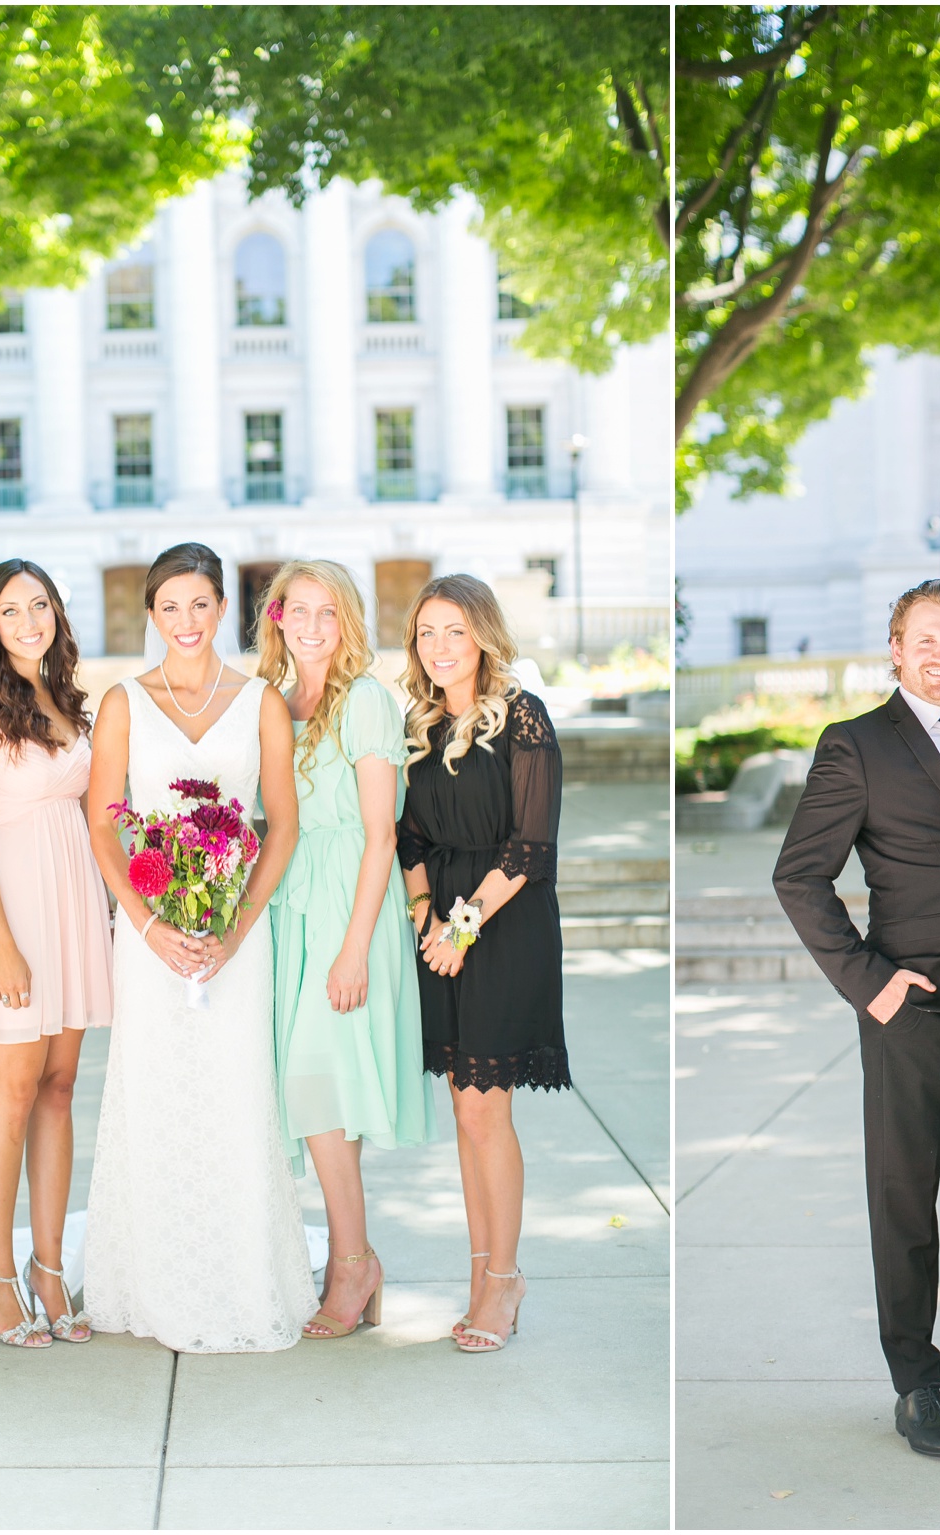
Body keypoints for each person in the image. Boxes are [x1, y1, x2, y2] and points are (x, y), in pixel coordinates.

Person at [773, 578, 940, 1459]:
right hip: (910, 1010)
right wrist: (867, 982)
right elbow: (799, 876)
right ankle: (916, 1380)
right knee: (906, 1200)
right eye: (926, 639)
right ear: (896, 646)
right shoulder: (856, 746)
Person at [82, 543, 315, 1352]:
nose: (185, 621)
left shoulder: (261, 703)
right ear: (152, 615)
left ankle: (241, 1278)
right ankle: (149, 1279)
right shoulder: (121, 703)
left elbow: (280, 824)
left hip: (233, 938)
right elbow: (104, 824)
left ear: (224, 610)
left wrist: (237, 924)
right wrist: (146, 926)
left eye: (200, 604)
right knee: (153, 1093)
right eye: (169, 607)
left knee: (232, 1093)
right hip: (149, 939)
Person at [258, 560, 434, 1340]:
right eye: (300, 610)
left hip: (348, 906)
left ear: (348, 621)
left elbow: (381, 833)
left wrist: (356, 945)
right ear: (278, 617)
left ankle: (353, 1262)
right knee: (309, 1095)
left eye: (328, 612)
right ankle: (347, 1257)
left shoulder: (364, 700)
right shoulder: (274, 701)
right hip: (290, 902)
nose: (313, 625)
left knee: (318, 1082)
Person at [0, 559, 114, 1347]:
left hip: (72, 901)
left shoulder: (66, 698)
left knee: (59, 1087)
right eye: (11, 610)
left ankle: (50, 1265)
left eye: (39, 604)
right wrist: (3, 947)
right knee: (11, 1094)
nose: (28, 620)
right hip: (6, 913)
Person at [395, 574, 567, 1355]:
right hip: (444, 931)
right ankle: (480, 1275)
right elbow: (410, 840)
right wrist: (427, 912)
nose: (439, 646)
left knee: (486, 1108)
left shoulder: (523, 716)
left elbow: (531, 844)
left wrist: (463, 925)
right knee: (465, 1111)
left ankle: (504, 1279)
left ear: (484, 636)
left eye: (454, 630)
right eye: (427, 631)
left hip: (505, 924)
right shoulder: (420, 726)